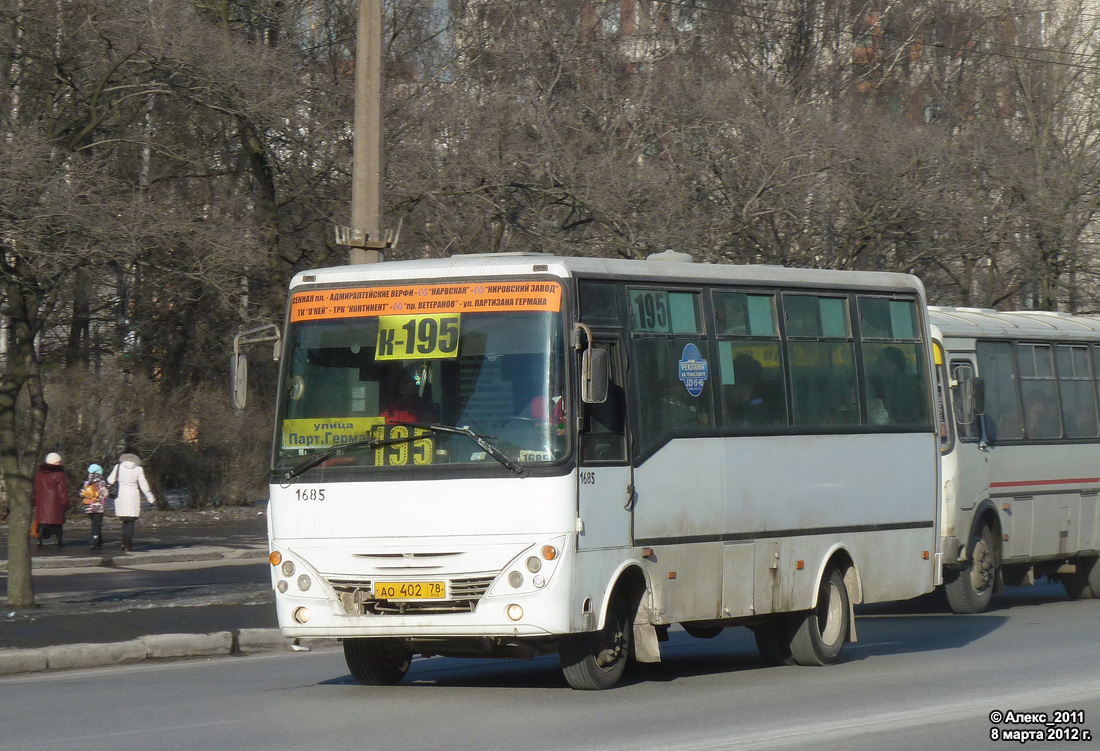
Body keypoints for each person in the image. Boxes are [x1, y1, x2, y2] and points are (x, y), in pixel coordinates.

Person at [107, 451, 156, 552]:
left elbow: (110, 480)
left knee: (125, 521)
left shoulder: (118, 467)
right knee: (131, 521)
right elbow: (144, 485)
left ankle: (123, 544)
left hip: (121, 496)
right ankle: (128, 545)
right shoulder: (138, 469)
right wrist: (150, 498)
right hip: (133, 496)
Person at [32, 452, 69, 548]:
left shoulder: (39, 474)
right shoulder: (59, 475)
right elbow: (62, 491)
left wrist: (35, 500)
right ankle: (58, 540)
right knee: (58, 523)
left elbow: (36, 489)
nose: (60, 463)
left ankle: (39, 540)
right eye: (58, 461)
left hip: (42, 503)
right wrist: (65, 502)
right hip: (55, 503)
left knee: (42, 523)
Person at [81, 464, 109, 550]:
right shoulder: (102, 482)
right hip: (99, 507)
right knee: (97, 524)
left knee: (94, 523)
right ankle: (94, 542)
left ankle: (99, 539)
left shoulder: (86, 482)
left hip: (89, 507)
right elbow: (105, 494)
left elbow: (81, 493)